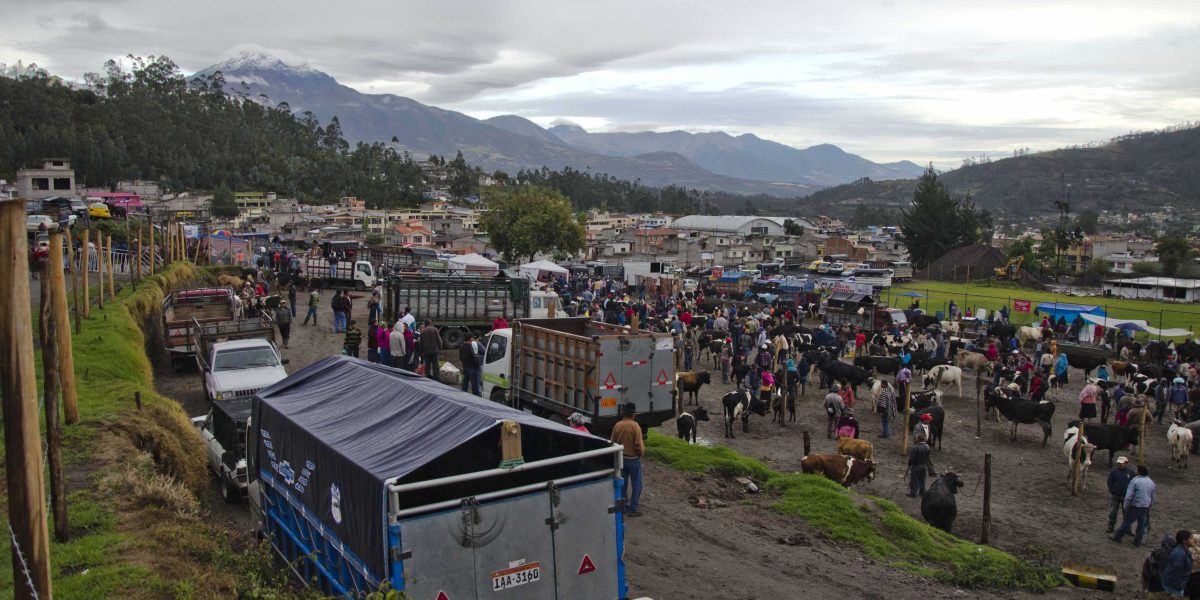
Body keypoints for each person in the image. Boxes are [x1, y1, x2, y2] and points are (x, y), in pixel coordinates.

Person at [610, 403, 645, 517]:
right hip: (633, 460)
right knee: (637, 485)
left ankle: (623, 507)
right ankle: (633, 509)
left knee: (623, 484)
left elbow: (612, 441)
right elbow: (638, 445)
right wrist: (641, 453)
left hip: (621, 459)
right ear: (633, 414)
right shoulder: (635, 426)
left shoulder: (617, 425)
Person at [1112, 464, 1156, 547]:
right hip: (1145, 505)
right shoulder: (1151, 482)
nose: (1135, 471)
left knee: (1128, 522)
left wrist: (1126, 505)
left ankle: (1118, 536)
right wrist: (1150, 505)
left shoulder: (1135, 481)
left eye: (1137, 470)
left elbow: (1129, 495)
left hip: (1135, 505)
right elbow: (1153, 495)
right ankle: (1137, 541)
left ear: (1139, 471)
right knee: (1141, 524)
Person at [1162, 531, 1196, 597]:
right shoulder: (1179, 554)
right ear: (1184, 541)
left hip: (1176, 585)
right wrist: (1179, 585)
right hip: (1174, 586)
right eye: (1191, 538)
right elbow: (1175, 571)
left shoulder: (1183, 550)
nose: (1193, 540)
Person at [1106, 456, 1134, 533]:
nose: (1120, 464)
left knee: (1127, 513)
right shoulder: (1114, 472)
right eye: (1119, 463)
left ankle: (1127, 528)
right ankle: (1111, 526)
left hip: (1126, 496)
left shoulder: (1130, 472)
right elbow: (1109, 482)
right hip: (1116, 495)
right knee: (1113, 512)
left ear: (1126, 463)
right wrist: (1112, 491)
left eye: (1121, 463)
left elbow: (1133, 483)